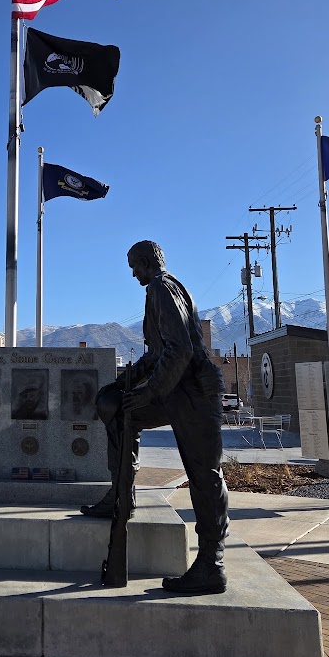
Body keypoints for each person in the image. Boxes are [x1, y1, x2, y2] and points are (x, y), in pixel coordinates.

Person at [80, 240, 230, 594]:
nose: (133, 274)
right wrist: (125, 382)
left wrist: (148, 391)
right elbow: (160, 352)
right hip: (176, 389)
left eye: (134, 266)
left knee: (204, 476)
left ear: (147, 262)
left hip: (193, 392)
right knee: (118, 411)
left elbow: (181, 349)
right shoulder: (159, 292)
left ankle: (212, 563)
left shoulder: (163, 289)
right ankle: (121, 496)